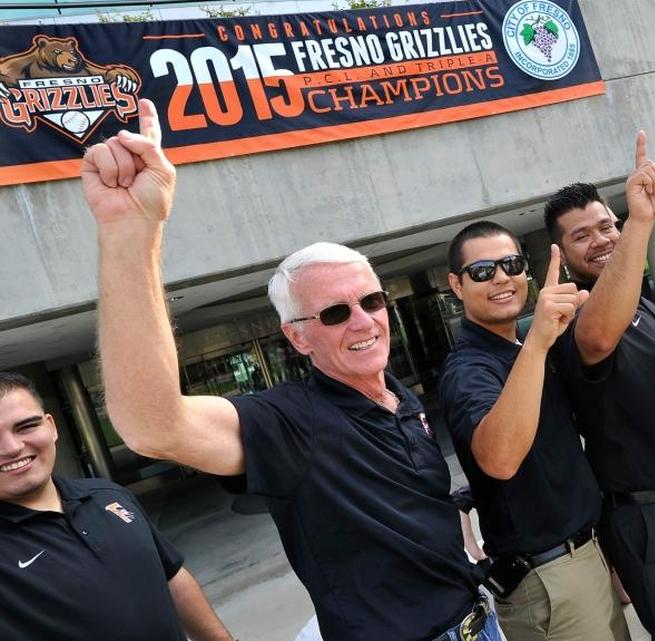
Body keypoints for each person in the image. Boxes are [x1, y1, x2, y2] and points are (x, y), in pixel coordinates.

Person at [82, 99, 497, 641]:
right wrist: (132, 234)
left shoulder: (403, 399)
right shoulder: (291, 422)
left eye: (371, 301)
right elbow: (152, 423)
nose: (362, 321)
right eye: (333, 313)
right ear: (297, 335)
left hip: (479, 624)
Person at [542, 132, 655, 641]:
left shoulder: (640, 301)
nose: (602, 238)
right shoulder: (575, 314)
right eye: (583, 235)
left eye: (607, 224)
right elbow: (600, 338)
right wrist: (643, 220)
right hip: (652, 520)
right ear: (561, 252)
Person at [440, 221, 630, 641]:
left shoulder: (518, 348)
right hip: (550, 578)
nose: (502, 278)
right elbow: (500, 458)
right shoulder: (470, 369)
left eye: (511, 264)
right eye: (483, 271)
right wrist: (539, 343)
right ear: (456, 285)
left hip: (583, 559)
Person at [0, 372, 234, 641]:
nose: (12, 447)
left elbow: (171, 577)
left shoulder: (108, 496)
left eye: (26, 426)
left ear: (51, 427)